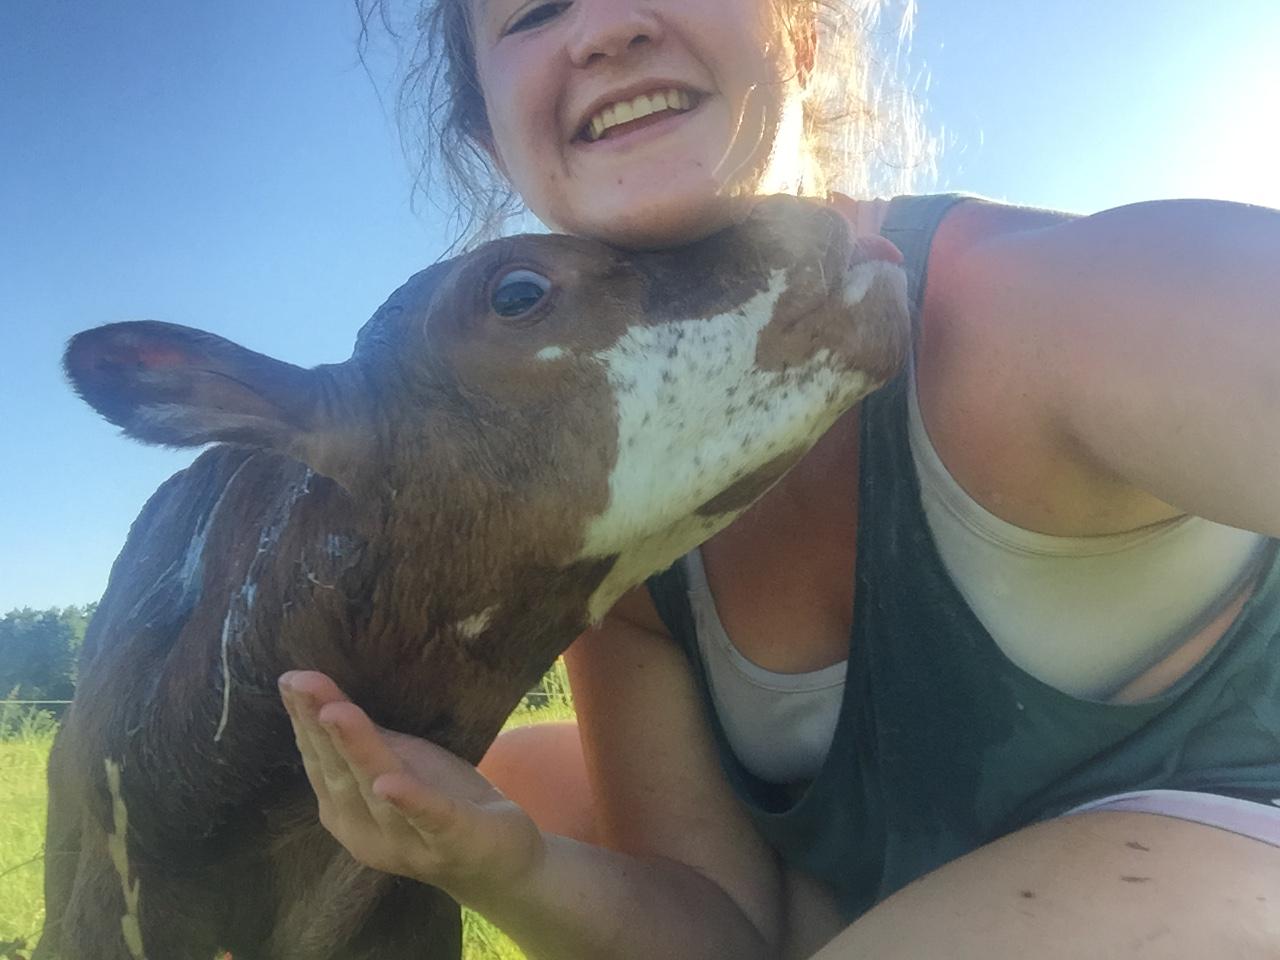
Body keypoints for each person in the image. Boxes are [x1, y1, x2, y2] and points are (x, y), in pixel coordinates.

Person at [277, 0, 1280, 955]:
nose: (605, 28)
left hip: (1241, 842)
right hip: (896, 897)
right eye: (534, 11)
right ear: (496, 143)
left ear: (797, 36)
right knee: (519, 777)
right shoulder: (625, 540)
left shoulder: (1041, 306)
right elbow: (728, 930)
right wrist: (516, 870)